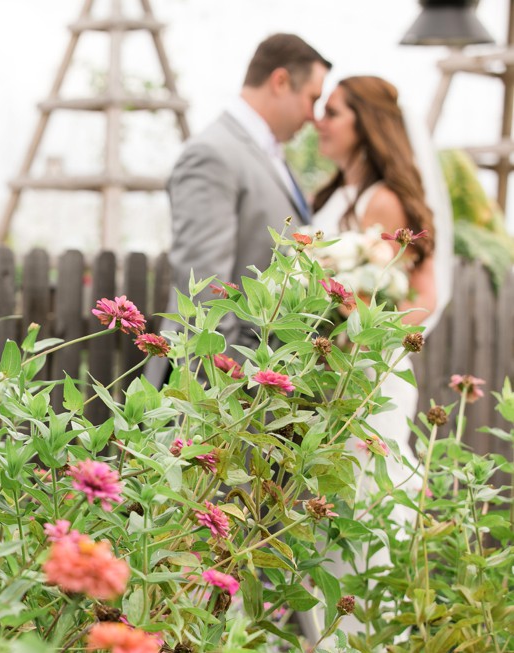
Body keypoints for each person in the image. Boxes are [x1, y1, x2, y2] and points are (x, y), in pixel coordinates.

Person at [307, 75, 454, 642]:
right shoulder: (338, 194)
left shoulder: (385, 197)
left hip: (369, 377)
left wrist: (358, 314)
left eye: (334, 111)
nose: (321, 120)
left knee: (362, 503)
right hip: (334, 376)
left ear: (365, 124)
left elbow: (423, 299)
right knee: (329, 507)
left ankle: (366, 634)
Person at [147, 34, 331, 387]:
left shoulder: (270, 156)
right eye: (312, 98)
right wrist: (239, 381)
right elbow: (204, 287)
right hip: (216, 392)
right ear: (280, 82)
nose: (312, 115)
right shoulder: (213, 154)